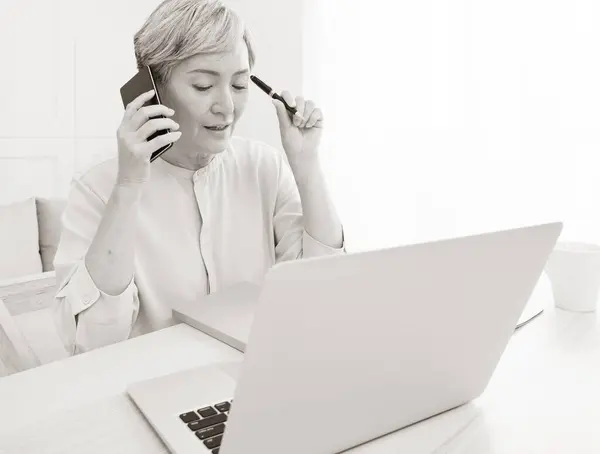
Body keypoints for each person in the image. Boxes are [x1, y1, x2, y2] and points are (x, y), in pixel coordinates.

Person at [51, 0, 344, 355]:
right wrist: (128, 187)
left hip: (254, 377)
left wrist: (307, 164)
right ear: (152, 90)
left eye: (239, 85)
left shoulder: (265, 166)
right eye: (204, 86)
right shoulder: (98, 189)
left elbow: (323, 292)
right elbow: (92, 342)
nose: (227, 107)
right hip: (146, 386)